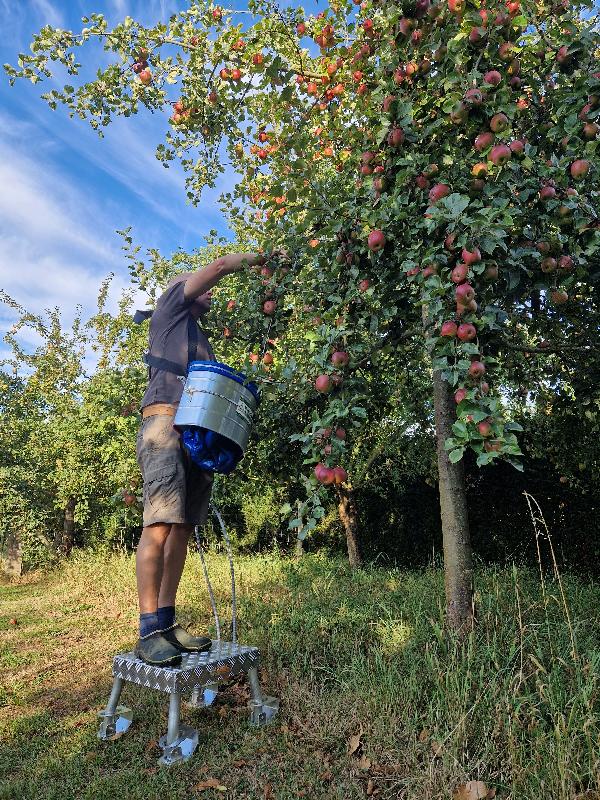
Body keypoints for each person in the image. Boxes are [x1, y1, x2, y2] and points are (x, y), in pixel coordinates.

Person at [134, 252, 264, 666]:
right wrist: (259, 260)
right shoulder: (170, 307)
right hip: (163, 424)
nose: (208, 289)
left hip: (194, 433)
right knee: (160, 523)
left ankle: (167, 622)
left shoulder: (198, 336)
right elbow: (220, 266)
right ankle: (147, 629)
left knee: (184, 528)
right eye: (198, 284)